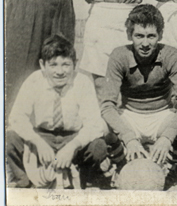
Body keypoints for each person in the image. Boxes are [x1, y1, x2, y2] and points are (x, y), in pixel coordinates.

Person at [96, 5, 177, 184]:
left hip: (161, 114)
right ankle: (121, 165)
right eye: (139, 36)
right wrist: (128, 137)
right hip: (131, 114)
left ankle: (168, 166)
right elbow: (107, 105)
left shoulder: (170, 54)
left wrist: (167, 137)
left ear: (160, 35)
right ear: (130, 35)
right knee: (103, 125)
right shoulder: (119, 55)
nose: (145, 43)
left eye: (151, 36)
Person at [7, 34, 107, 189]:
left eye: (66, 64)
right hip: (42, 135)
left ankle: (81, 179)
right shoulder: (34, 80)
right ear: (42, 65)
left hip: (72, 137)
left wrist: (73, 146)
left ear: (75, 64)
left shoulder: (82, 83)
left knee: (98, 146)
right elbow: (17, 118)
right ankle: (25, 181)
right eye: (53, 65)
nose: (59, 71)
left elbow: (94, 124)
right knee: (9, 138)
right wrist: (38, 142)